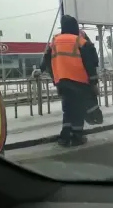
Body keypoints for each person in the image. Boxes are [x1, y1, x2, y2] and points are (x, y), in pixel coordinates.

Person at [41, 15, 99, 147]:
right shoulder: (80, 41)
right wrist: (93, 82)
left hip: (62, 81)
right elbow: (92, 62)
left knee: (68, 109)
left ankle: (64, 137)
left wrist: (52, 76)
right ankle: (77, 137)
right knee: (78, 109)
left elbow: (46, 60)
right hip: (79, 81)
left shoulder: (55, 41)